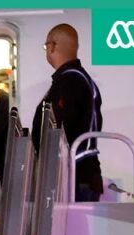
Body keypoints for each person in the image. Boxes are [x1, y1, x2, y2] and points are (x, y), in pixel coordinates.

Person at [32, 23, 104, 202]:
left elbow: (60, 128)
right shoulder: (75, 79)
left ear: (52, 46)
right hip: (75, 176)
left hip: (73, 178)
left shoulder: (71, 81)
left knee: (71, 222)